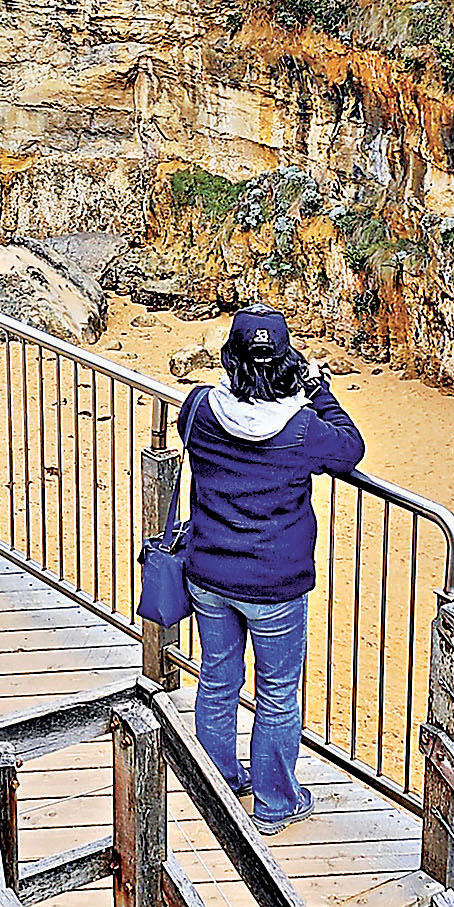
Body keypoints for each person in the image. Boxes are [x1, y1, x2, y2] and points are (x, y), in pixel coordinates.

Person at [177, 306, 365, 835]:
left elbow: (220, 413)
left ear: (230, 359)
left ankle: (216, 785)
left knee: (217, 680)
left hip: (209, 572)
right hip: (274, 583)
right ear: (286, 362)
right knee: (277, 691)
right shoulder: (304, 428)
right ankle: (275, 803)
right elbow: (350, 447)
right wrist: (317, 388)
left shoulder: (197, 409)